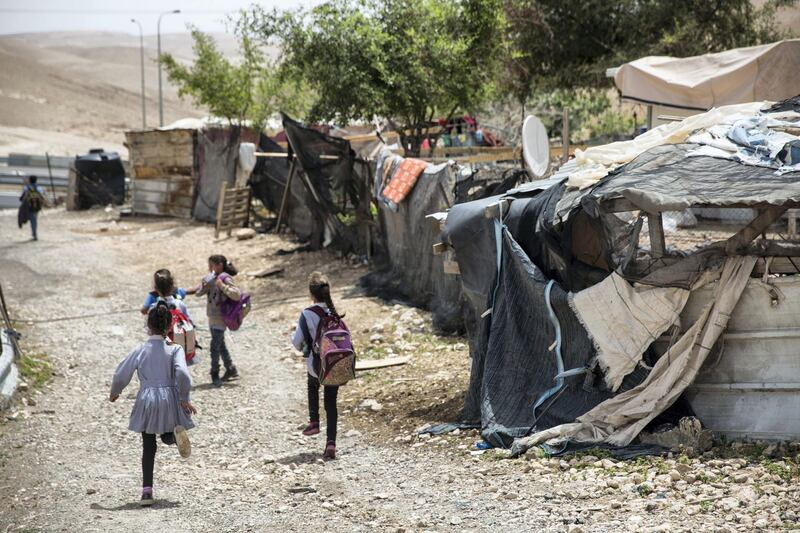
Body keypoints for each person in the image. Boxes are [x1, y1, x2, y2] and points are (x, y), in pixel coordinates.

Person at [109, 303, 197, 506]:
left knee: (148, 446)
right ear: (169, 326)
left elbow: (122, 372)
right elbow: (183, 373)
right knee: (167, 429)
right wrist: (184, 397)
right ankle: (172, 438)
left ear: (148, 325)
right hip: (170, 398)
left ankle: (147, 492)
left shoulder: (141, 349)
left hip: (147, 398)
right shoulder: (175, 349)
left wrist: (116, 391)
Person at [291, 272, 341, 460]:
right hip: (334, 364)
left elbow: (297, 342)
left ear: (311, 294)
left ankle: (314, 421)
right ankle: (331, 443)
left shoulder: (307, 313)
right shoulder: (334, 311)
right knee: (331, 404)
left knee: (312, 385)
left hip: (316, 364)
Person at [194, 255, 241, 387]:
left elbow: (236, 295)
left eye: (212, 265)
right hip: (212, 317)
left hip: (221, 317)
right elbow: (199, 293)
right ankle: (230, 368)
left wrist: (222, 287)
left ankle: (215, 373)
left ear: (219, 265)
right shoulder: (211, 279)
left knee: (214, 346)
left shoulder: (225, 278)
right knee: (220, 344)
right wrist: (204, 286)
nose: (210, 268)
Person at [19, 175, 47, 241]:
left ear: (29, 180)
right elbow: (43, 197)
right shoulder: (39, 188)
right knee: (34, 220)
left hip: (28, 207)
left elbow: (22, 198)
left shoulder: (26, 188)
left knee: (27, 217)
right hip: (36, 207)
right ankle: (34, 234)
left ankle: (33, 233)